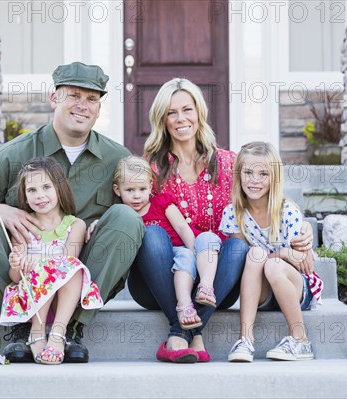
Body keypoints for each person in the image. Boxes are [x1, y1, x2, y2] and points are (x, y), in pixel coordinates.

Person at [0, 62, 144, 363]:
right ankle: (16, 328)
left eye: (91, 99)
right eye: (73, 95)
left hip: (80, 269)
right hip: (24, 267)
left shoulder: (118, 158)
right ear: (54, 99)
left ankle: (70, 329)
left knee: (127, 218)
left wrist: (107, 219)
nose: (82, 106)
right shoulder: (16, 153)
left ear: (99, 108)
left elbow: (144, 208)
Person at [127, 78, 314, 364]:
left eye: (187, 109)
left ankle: (180, 334)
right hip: (160, 278)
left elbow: (268, 197)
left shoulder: (230, 163)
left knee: (238, 247)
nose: (180, 119)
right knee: (152, 235)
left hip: (214, 286)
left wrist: (304, 226)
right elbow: (126, 208)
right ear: (162, 119)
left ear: (199, 112)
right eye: (171, 112)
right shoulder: (150, 168)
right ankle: (190, 332)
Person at [223, 142, 323, 362]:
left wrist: (285, 255)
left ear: (274, 178)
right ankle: (245, 339)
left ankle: (300, 339)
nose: (254, 180)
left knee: (273, 264)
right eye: (248, 172)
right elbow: (240, 258)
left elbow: (302, 261)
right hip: (261, 292)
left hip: (295, 288)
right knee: (255, 255)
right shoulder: (233, 214)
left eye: (263, 174)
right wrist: (282, 252)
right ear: (239, 175)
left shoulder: (287, 211)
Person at [0, 157, 103, 365]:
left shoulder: (75, 224)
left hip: (64, 303)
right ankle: (36, 333)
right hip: (31, 302)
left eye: (46, 187)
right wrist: (15, 264)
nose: (40, 195)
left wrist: (37, 258)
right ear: (25, 196)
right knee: (43, 269)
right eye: (32, 190)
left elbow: (68, 262)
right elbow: (15, 277)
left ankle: (57, 334)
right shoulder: (24, 226)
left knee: (72, 269)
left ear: (59, 188)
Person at [113, 156, 221, 331]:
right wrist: (97, 225)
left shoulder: (161, 202)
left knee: (203, 242)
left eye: (142, 189)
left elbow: (181, 227)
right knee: (177, 251)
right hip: (162, 266)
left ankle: (204, 289)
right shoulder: (124, 215)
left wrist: (194, 249)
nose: (137, 196)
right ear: (117, 190)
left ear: (150, 186)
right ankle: (184, 306)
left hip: (186, 247)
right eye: (130, 190)